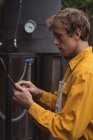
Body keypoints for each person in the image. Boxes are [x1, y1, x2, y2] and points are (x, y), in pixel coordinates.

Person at [13, 8, 93, 140]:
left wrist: (30, 105)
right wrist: (38, 94)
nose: (54, 42)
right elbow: (65, 105)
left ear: (77, 33)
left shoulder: (85, 73)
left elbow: (68, 130)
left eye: (59, 36)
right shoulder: (78, 64)